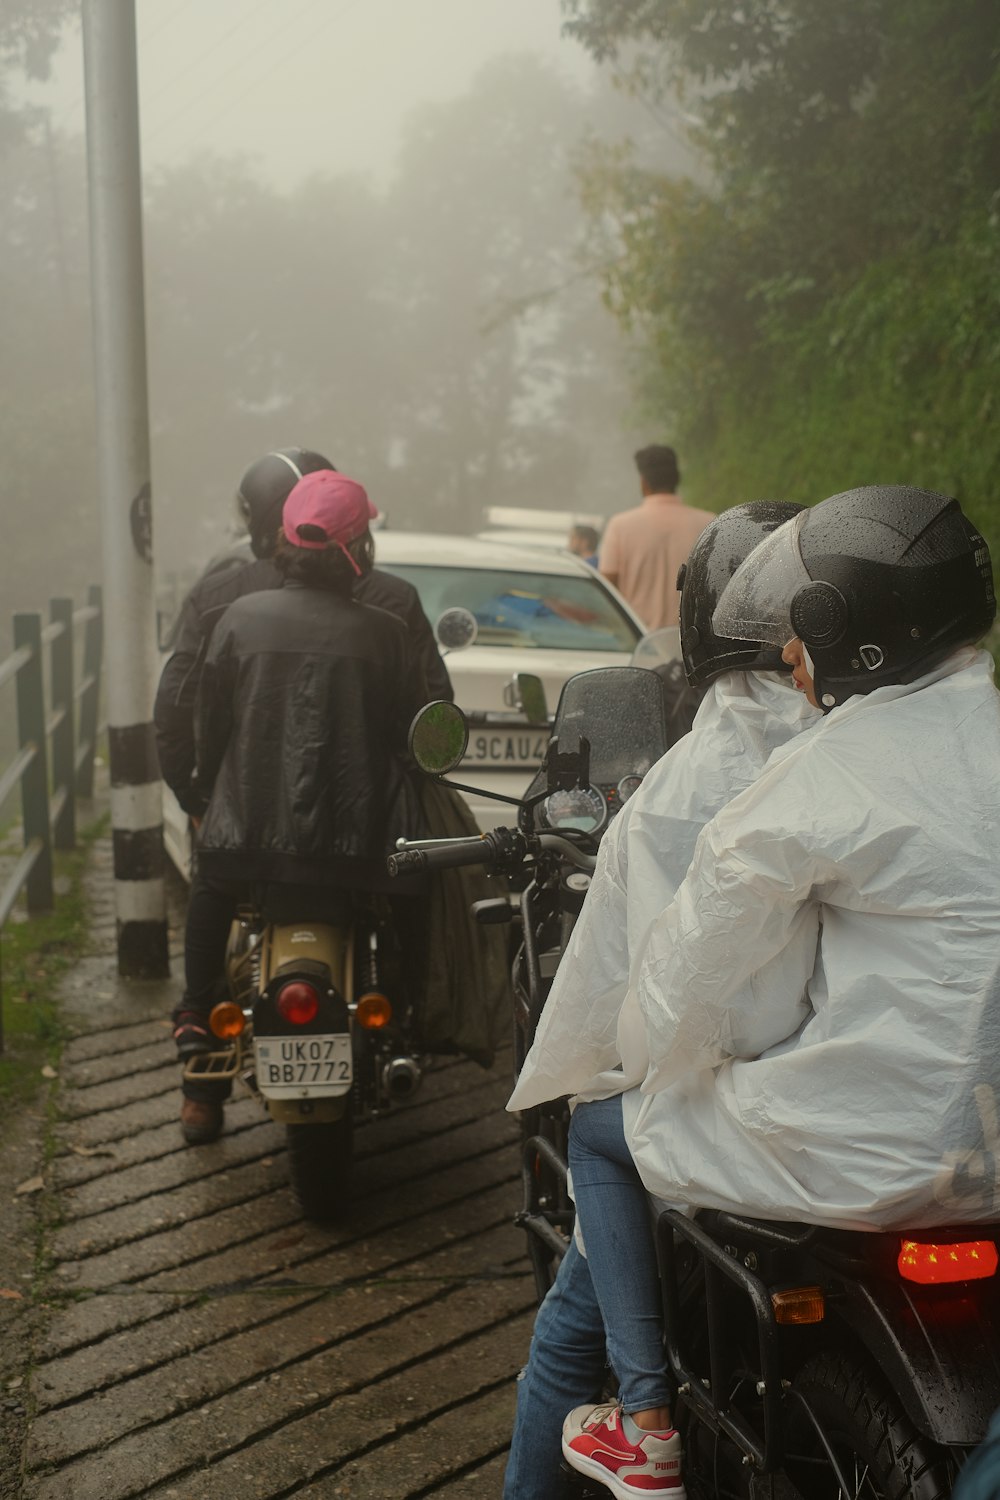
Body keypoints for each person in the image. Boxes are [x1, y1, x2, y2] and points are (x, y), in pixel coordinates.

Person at [528, 485, 1000, 1499]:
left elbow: (683, 980)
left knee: (605, 1124)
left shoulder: (817, 775)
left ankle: (643, 1420)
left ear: (848, 634)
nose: (790, 659)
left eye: (801, 634)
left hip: (881, 1150)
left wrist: (645, 1052)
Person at [503, 501, 818, 1500]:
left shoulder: (689, 784)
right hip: (869, 1099)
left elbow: (645, 988)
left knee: (594, 1155)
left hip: (729, 1114)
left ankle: (643, 1417)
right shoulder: (875, 749)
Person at [175, 470, 428, 1145]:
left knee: (208, 891)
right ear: (357, 547)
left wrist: (208, 801)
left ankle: (198, 1014)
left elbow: (210, 734)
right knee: (421, 899)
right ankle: (415, 1012)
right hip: (362, 852)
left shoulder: (235, 619)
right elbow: (414, 736)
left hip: (246, 844)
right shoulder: (386, 630)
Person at [154, 447, 452, 818]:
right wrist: (393, 804)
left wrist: (200, 801)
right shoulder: (394, 603)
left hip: (242, 828)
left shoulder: (217, 599)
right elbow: (430, 722)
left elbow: (176, 710)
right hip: (364, 833)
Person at [599, 447, 713, 630]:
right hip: (691, 646)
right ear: (677, 480)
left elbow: (606, 588)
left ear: (644, 482)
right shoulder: (708, 524)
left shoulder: (620, 526)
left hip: (639, 642)